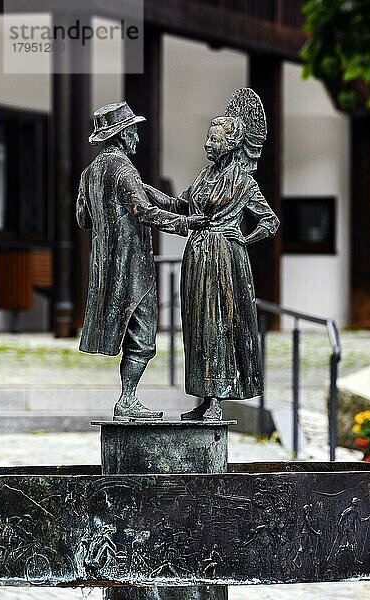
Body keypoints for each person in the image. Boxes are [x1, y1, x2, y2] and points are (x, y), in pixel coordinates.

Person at [144, 88, 279, 420]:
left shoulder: (244, 183)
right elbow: (180, 205)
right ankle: (203, 398)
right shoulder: (203, 177)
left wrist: (244, 238)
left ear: (230, 144)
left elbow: (270, 220)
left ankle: (217, 400)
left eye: (214, 140)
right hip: (197, 257)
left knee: (218, 324)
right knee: (196, 326)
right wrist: (147, 193)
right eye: (208, 138)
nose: (208, 144)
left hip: (224, 260)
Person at [76, 101, 207, 420]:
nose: (137, 137)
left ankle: (127, 399)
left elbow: (83, 218)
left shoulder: (91, 172)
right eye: (133, 131)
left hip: (106, 269)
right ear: (120, 135)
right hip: (133, 268)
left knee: (133, 335)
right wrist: (185, 223)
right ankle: (128, 399)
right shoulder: (122, 169)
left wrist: (179, 204)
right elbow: (143, 210)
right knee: (144, 338)